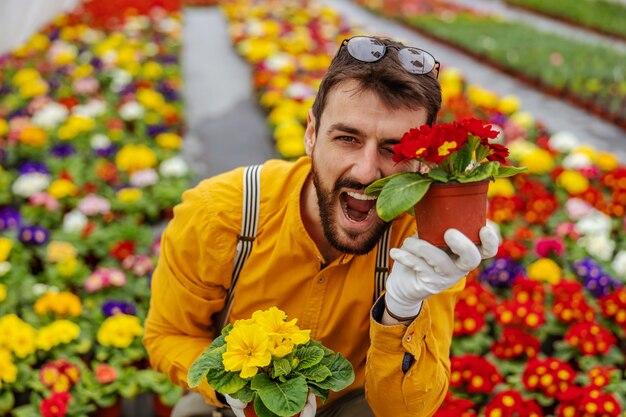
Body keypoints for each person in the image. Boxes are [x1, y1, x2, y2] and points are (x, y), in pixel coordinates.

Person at [143, 35, 498, 417]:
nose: (366, 171)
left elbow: (407, 410)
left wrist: (402, 310)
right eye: (347, 138)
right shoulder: (220, 213)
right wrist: (238, 390)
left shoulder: (422, 244)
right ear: (311, 134)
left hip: (352, 403)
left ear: (422, 161)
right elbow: (169, 335)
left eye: (394, 150)